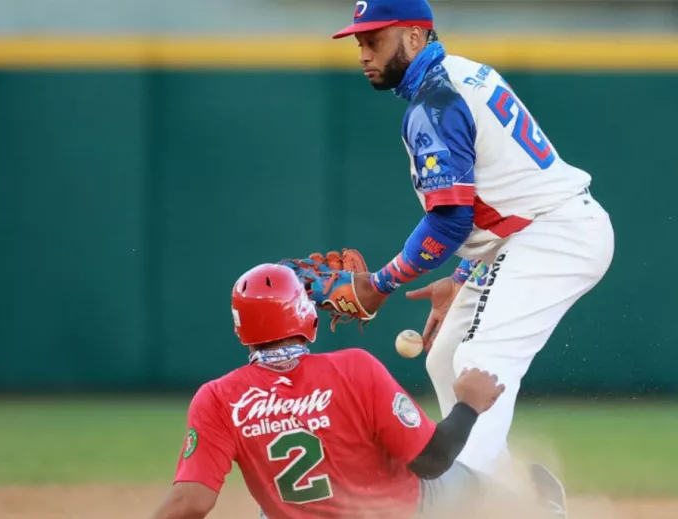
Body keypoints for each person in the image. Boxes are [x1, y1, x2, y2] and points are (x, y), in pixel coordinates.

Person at [281, 0, 615, 483]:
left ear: (414, 37)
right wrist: (463, 274)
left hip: (554, 233)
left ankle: (469, 497)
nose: (363, 52)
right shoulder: (459, 73)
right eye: (359, 41)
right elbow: (500, 190)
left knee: (480, 361)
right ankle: (509, 493)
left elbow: (451, 222)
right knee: (446, 352)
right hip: (532, 231)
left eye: (374, 39)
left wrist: (380, 282)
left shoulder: (436, 103)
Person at [152, 263, 509, 519]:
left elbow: (192, 501)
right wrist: (468, 404)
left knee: (270, 509)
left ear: (239, 330)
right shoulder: (354, 368)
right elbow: (431, 461)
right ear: (306, 316)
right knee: (472, 485)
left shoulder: (218, 398)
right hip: (400, 511)